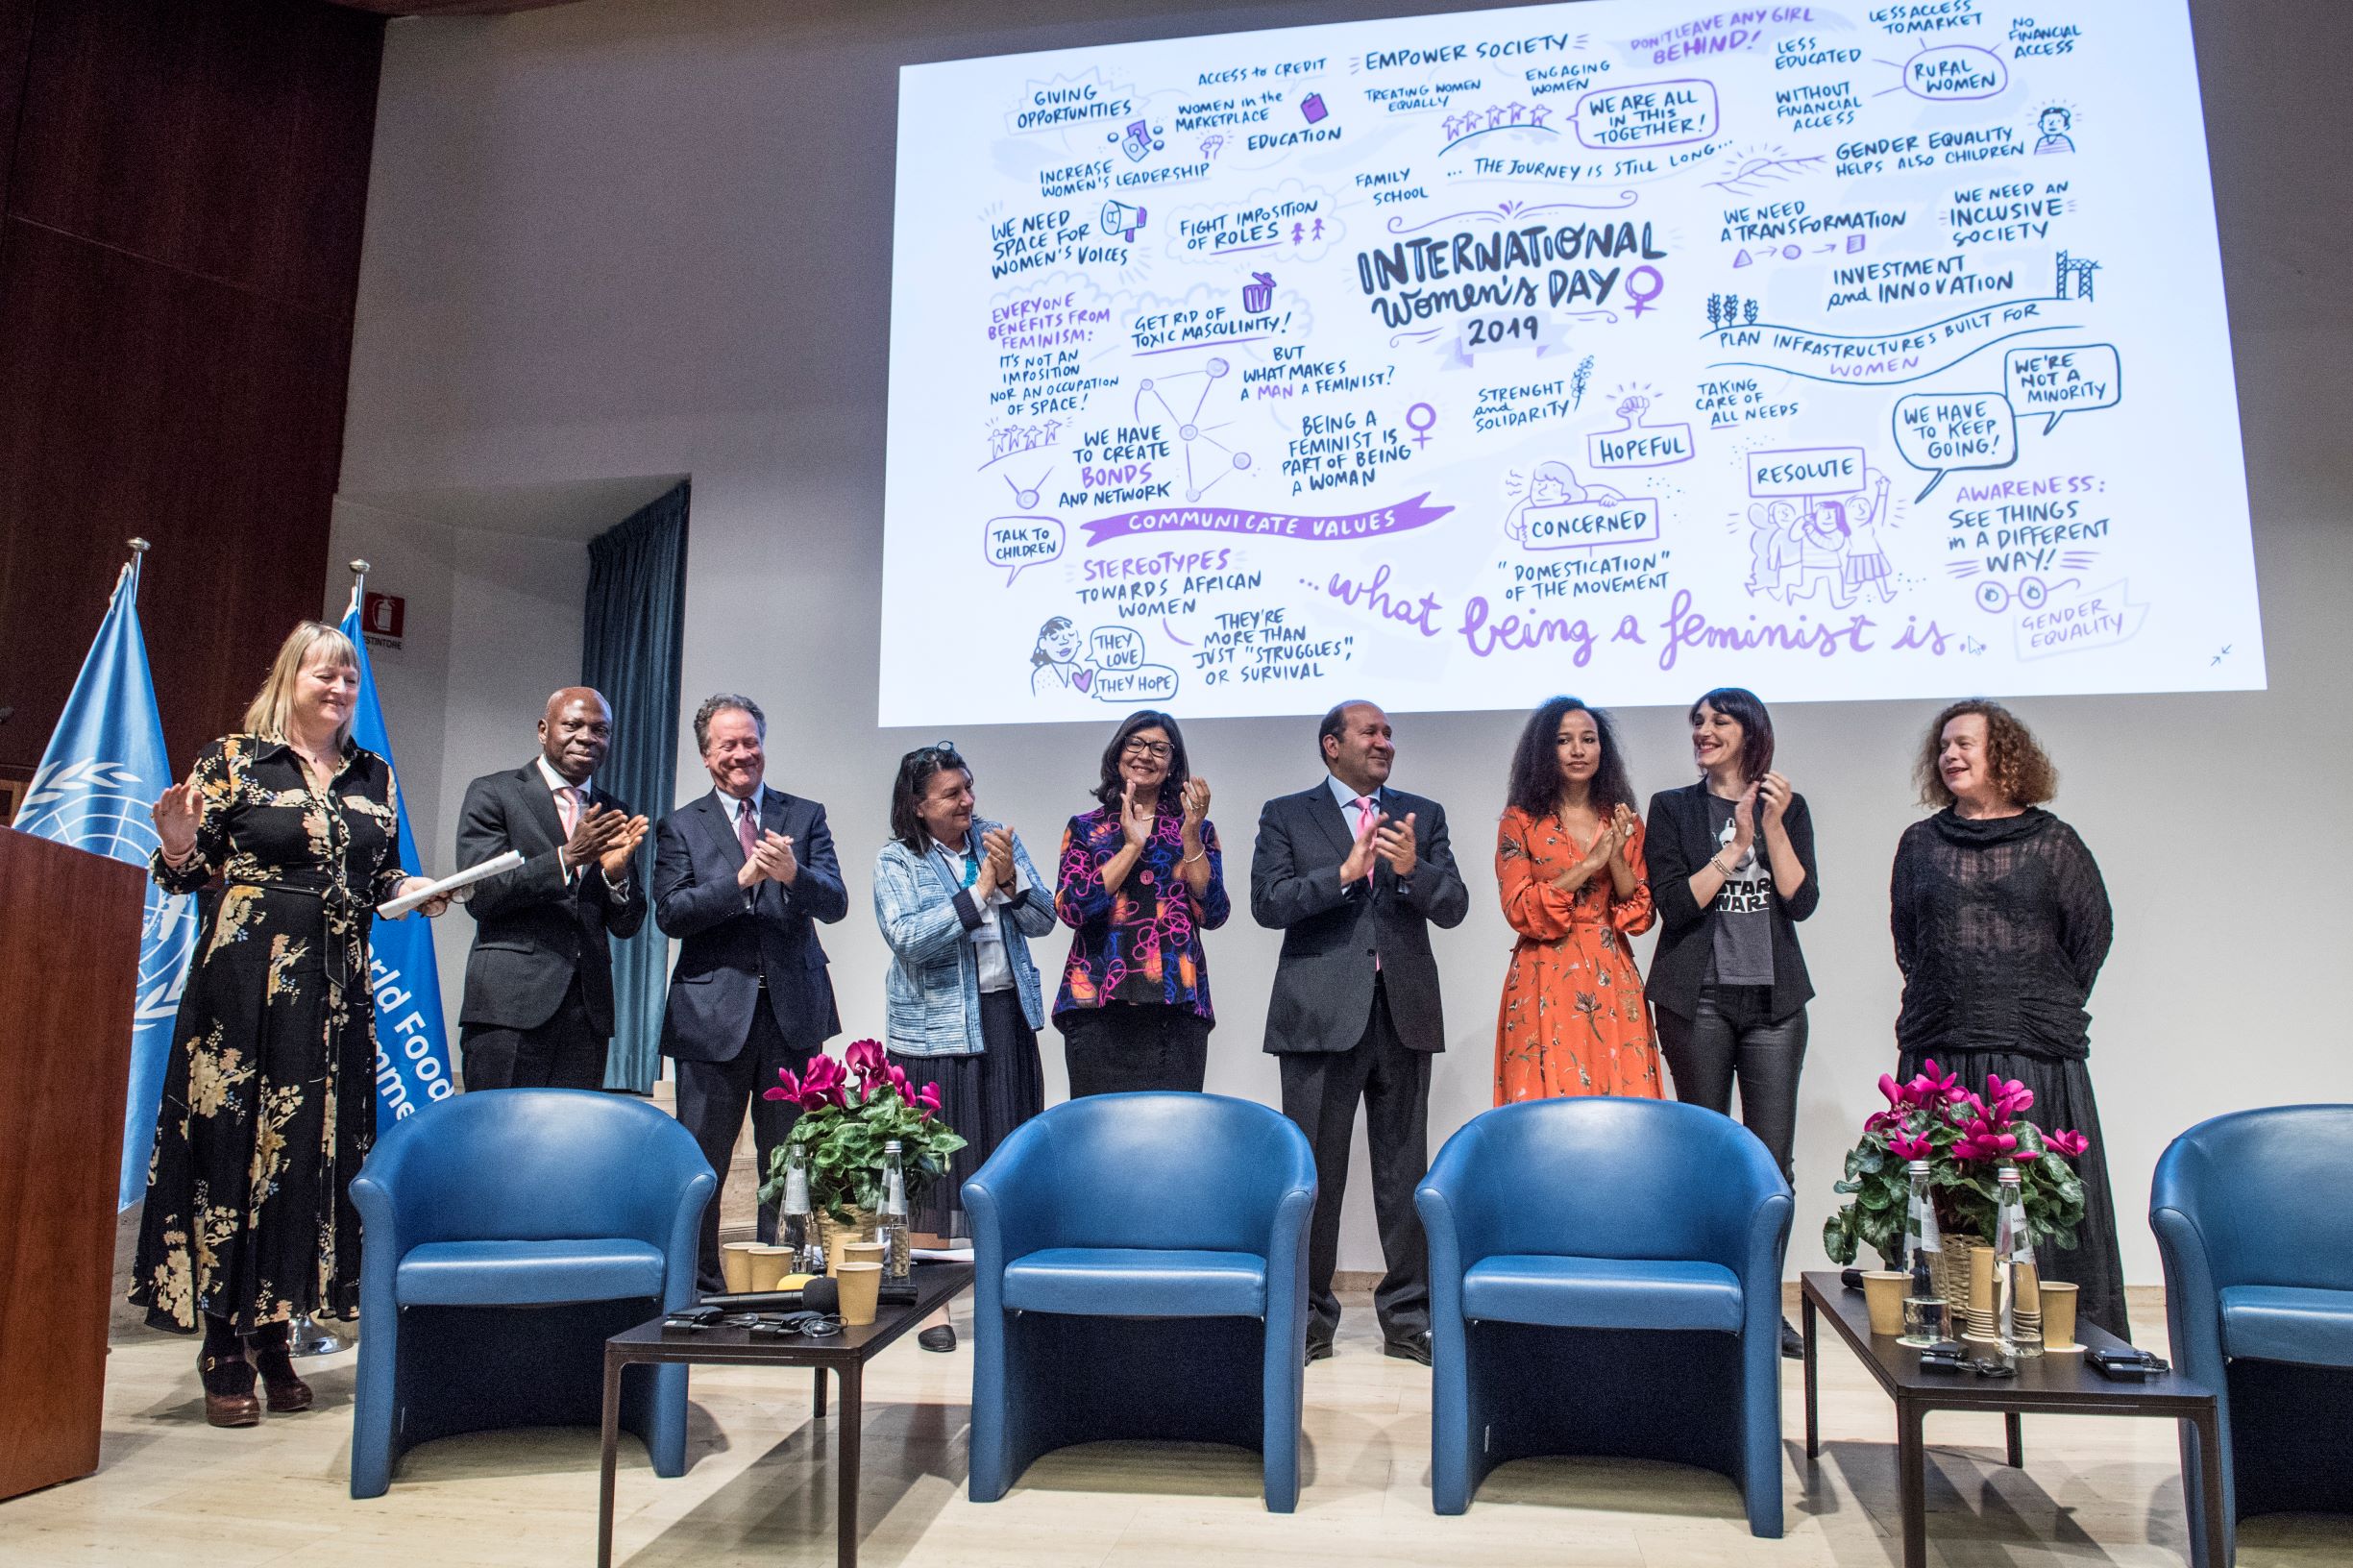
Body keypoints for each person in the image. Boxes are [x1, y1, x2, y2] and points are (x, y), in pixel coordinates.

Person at [135, 622, 452, 1427]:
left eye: (350, 678)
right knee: (231, 1155)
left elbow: (381, 880)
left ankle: (276, 1330)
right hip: (241, 991)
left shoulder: (371, 773)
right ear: (290, 678)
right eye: (327, 675)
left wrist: (421, 891)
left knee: (310, 1157)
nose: (341, 689)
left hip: (334, 994)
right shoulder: (233, 759)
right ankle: (222, 1343)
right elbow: (182, 872)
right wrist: (175, 842)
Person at [1891, 698, 2126, 1338]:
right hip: (1943, 1045)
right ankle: (1947, 1326)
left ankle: (2049, 1330)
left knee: (2037, 1197)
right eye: (1942, 746)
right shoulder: (1919, 843)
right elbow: (1909, 942)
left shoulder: (2053, 841)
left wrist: (2028, 1000)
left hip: (2031, 1052)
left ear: (2004, 756)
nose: (1949, 756)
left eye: (1964, 743)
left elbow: (2090, 935)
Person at [1251, 701, 1469, 1366]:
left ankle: (1408, 1316)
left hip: (1401, 1015)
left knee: (1404, 1172)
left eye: (1387, 734)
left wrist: (1413, 872)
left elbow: (1454, 905)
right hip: (1317, 1018)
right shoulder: (1286, 813)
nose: (1384, 743)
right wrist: (1342, 877)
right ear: (1330, 745)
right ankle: (1309, 1317)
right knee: (1315, 1174)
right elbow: (1268, 903)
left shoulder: (1421, 815)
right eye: (1370, 733)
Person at [653, 693, 848, 1294]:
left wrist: (794, 875)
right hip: (710, 1018)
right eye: (728, 745)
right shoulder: (681, 824)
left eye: (750, 742)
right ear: (707, 755)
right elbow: (672, 913)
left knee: (789, 1160)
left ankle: (782, 1281)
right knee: (703, 1161)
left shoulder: (803, 814)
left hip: (792, 1013)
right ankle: (700, 1286)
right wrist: (740, 879)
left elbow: (835, 902)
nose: (742, 754)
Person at [1645, 688, 1819, 1358]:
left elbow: (1801, 902)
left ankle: (1764, 1306)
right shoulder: (1673, 809)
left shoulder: (1788, 806)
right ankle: (1702, 1299)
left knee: (1771, 1162)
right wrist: (1733, 846)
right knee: (1704, 1157)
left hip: (1775, 1004)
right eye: (1696, 721)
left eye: (1718, 721)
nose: (1703, 731)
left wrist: (1769, 826)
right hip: (1699, 1000)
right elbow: (1673, 906)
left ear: (1750, 732)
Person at [872, 742, 1053, 1352]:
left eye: (969, 788)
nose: (968, 802)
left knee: (1009, 1163)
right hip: (932, 1037)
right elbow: (908, 938)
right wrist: (979, 893)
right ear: (919, 806)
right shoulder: (896, 860)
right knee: (934, 1178)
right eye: (952, 794)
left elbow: (1046, 920)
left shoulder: (996, 842)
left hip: (1005, 1020)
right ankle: (931, 1312)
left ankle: (1011, 1299)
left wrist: (1012, 882)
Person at [453, 687, 650, 1090]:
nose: (587, 737)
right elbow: (481, 894)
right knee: (497, 1142)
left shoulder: (616, 811)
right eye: (573, 725)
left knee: (570, 1147)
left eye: (600, 729)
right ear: (543, 730)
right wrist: (567, 857)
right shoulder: (495, 792)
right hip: (507, 1008)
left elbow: (627, 925)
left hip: (587, 1013)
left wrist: (615, 877)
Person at [1493, 696, 1661, 1104]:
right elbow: (1519, 907)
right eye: (1564, 740)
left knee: (1624, 1100)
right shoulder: (1520, 820)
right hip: (1543, 970)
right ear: (1545, 750)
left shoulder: (1624, 819)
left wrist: (1616, 857)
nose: (1578, 750)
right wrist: (1588, 865)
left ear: (1603, 749)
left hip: (1611, 969)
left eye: (1588, 739)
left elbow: (1640, 914)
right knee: (1545, 1104)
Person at [1051, 709, 1228, 1093]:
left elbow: (1214, 912)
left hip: (1176, 1005)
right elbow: (1072, 908)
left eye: (1160, 749)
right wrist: (1132, 846)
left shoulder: (1195, 829)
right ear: (1118, 754)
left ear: (1172, 764)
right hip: (1097, 1004)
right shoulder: (1087, 827)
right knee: (1099, 1138)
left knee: (1173, 1138)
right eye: (1136, 743)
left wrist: (1192, 835)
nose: (1146, 755)